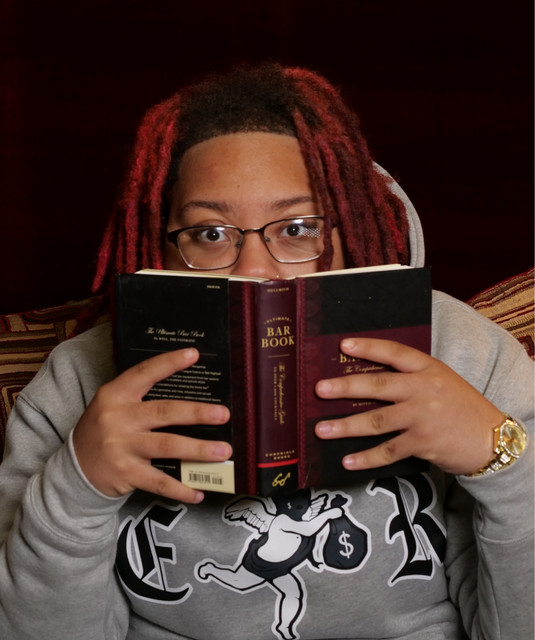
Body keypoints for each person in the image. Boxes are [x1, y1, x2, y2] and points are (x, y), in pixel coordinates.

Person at [0, 63, 533, 640]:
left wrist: (500, 461)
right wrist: (76, 490)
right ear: (158, 243)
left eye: (297, 228)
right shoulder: (76, 385)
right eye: (210, 234)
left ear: (352, 228)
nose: (255, 271)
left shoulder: (464, 352)